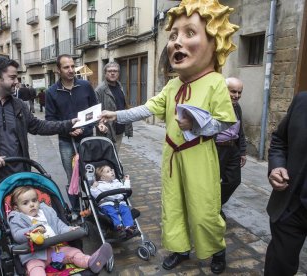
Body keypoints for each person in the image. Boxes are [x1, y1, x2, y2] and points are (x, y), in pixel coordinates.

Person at [100, 0, 239, 273]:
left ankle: (217, 250)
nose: (177, 42)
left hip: (199, 154)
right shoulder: (173, 84)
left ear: (214, 43)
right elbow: (149, 107)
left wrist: (196, 125)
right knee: (173, 207)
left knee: (204, 210)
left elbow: (224, 123)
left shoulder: (215, 83)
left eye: (189, 33)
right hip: (171, 154)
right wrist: (117, 115)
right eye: (173, 35)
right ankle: (179, 249)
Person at [0, 57, 76, 275]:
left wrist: (67, 124)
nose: (16, 81)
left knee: (28, 218)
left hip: (19, 174)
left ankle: (34, 261)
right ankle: (5, 260)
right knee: (0, 223)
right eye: (12, 77)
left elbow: (37, 126)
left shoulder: (18, 105)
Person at [45, 54, 107, 215]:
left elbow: (95, 110)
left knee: (92, 171)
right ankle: (76, 209)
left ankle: (97, 204)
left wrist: (98, 123)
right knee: (72, 175)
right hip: (67, 142)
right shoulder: (51, 92)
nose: (71, 70)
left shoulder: (85, 86)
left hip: (87, 139)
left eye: (73, 66)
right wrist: (68, 129)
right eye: (66, 67)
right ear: (58, 70)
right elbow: (50, 121)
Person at [8, 186, 113, 275]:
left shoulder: (46, 212)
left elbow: (59, 226)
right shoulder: (17, 218)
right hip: (35, 255)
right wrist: (32, 231)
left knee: (73, 253)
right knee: (35, 268)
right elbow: (17, 235)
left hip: (55, 250)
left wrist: (69, 229)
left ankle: (90, 262)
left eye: (34, 200)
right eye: (25, 203)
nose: (32, 204)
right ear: (17, 208)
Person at [264, 91, 307, 276]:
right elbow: (280, 140)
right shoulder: (302, 100)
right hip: (291, 206)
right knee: (278, 268)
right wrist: (276, 167)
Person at [216, 77, 247, 216]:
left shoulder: (237, 106)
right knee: (214, 181)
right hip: (217, 148)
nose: (237, 96)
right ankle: (213, 209)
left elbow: (240, 130)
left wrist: (242, 151)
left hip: (232, 148)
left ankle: (217, 204)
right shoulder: (215, 105)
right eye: (233, 91)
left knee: (234, 180)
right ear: (225, 90)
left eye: (239, 92)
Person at [90, 165, 137, 239]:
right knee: (112, 212)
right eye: (108, 171)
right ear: (102, 177)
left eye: (111, 170)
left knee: (126, 210)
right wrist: (93, 187)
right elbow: (96, 195)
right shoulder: (100, 185)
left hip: (120, 203)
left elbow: (125, 190)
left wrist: (127, 181)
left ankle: (129, 227)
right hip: (107, 204)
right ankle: (119, 227)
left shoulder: (117, 182)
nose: (111, 172)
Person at [95, 62, 133, 152]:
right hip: (108, 131)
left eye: (115, 71)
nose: (112, 73)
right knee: (108, 157)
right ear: (105, 73)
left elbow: (124, 105)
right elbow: (96, 111)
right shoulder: (100, 90)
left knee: (115, 155)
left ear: (118, 73)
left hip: (119, 128)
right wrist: (100, 125)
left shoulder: (119, 85)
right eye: (110, 71)